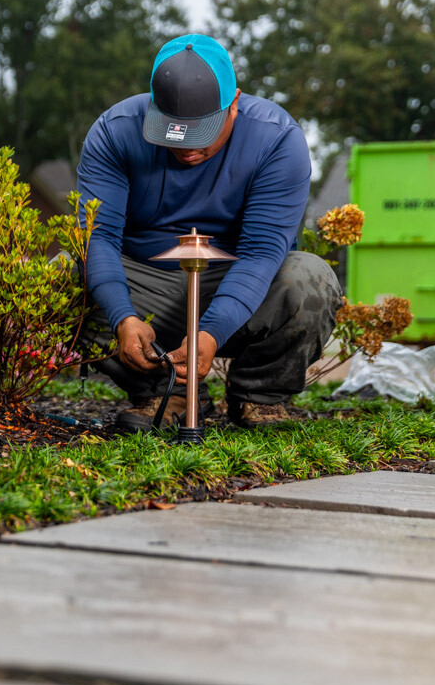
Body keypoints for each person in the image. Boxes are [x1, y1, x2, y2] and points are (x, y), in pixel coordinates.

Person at [76, 33, 341, 430]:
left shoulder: (277, 139)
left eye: (203, 131)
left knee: (309, 279)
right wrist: (122, 317)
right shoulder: (114, 132)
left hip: (237, 282)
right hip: (147, 284)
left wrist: (211, 333)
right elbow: (99, 239)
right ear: (153, 107)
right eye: (173, 131)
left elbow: (261, 252)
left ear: (234, 103)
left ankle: (259, 394)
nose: (188, 149)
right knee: (62, 276)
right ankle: (165, 391)